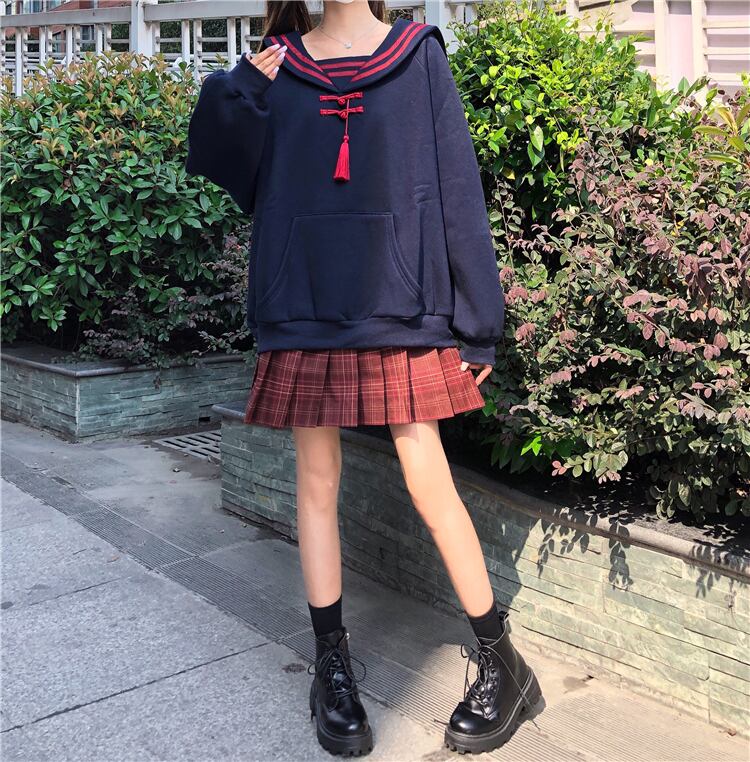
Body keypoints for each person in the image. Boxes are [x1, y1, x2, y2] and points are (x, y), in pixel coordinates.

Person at [185, 0, 541, 755]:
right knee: (316, 485)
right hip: (304, 303)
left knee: (428, 481)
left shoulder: (418, 57)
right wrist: (240, 86)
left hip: (399, 305)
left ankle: (503, 661)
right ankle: (332, 666)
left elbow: (457, 188)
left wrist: (479, 317)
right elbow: (218, 158)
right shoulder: (277, 67)